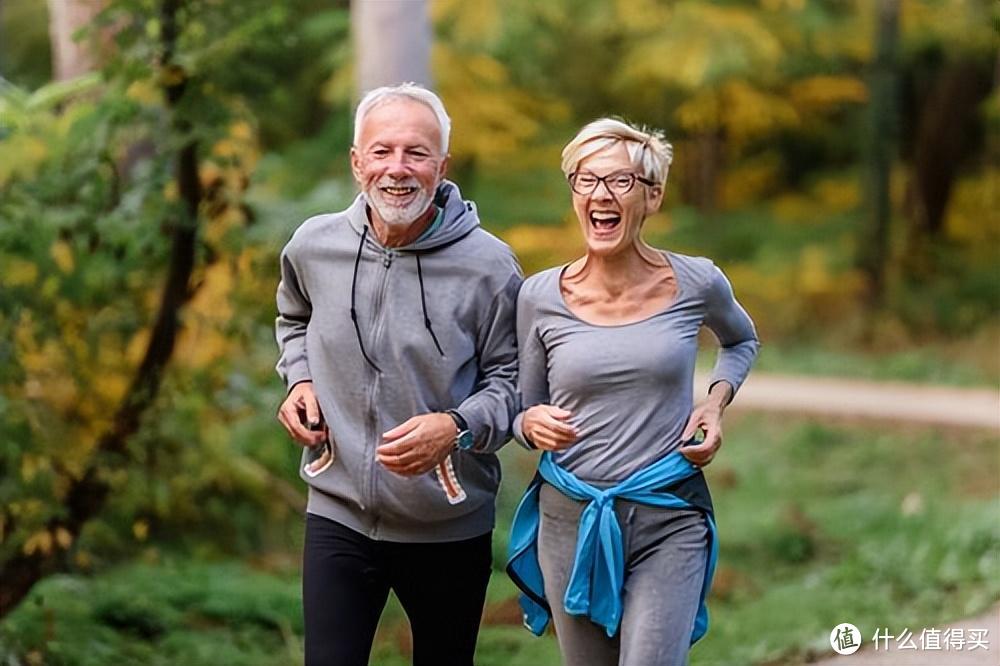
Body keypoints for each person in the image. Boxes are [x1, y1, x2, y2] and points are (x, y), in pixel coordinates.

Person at [274, 83, 522, 666]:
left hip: (447, 523)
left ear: (442, 165)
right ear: (357, 161)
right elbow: (293, 316)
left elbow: (514, 384)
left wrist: (456, 425)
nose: (397, 169)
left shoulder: (489, 266)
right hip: (336, 510)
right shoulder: (315, 245)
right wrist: (299, 380)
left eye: (416, 153)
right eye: (381, 151)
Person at [506, 118, 760, 666]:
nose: (600, 195)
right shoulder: (538, 297)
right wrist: (530, 424)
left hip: (668, 514)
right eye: (585, 180)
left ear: (652, 197)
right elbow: (523, 408)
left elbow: (740, 341)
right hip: (570, 520)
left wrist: (713, 404)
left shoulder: (697, 282)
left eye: (620, 182)